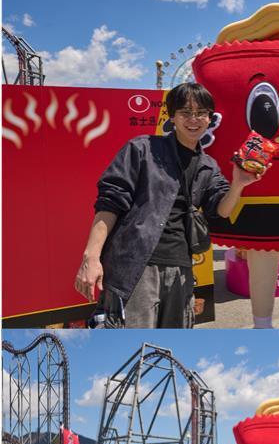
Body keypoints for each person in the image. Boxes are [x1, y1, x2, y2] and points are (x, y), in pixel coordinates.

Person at [74, 82, 261, 328]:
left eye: (201, 113)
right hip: (136, 264)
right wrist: (91, 257)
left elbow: (221, 210)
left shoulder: (208, 165)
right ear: (172, 116)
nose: (193, 120)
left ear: (209, 118)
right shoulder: (142, 149)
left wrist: (238, 184)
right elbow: (110, 203)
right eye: (185, 112)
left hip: (181, 268)